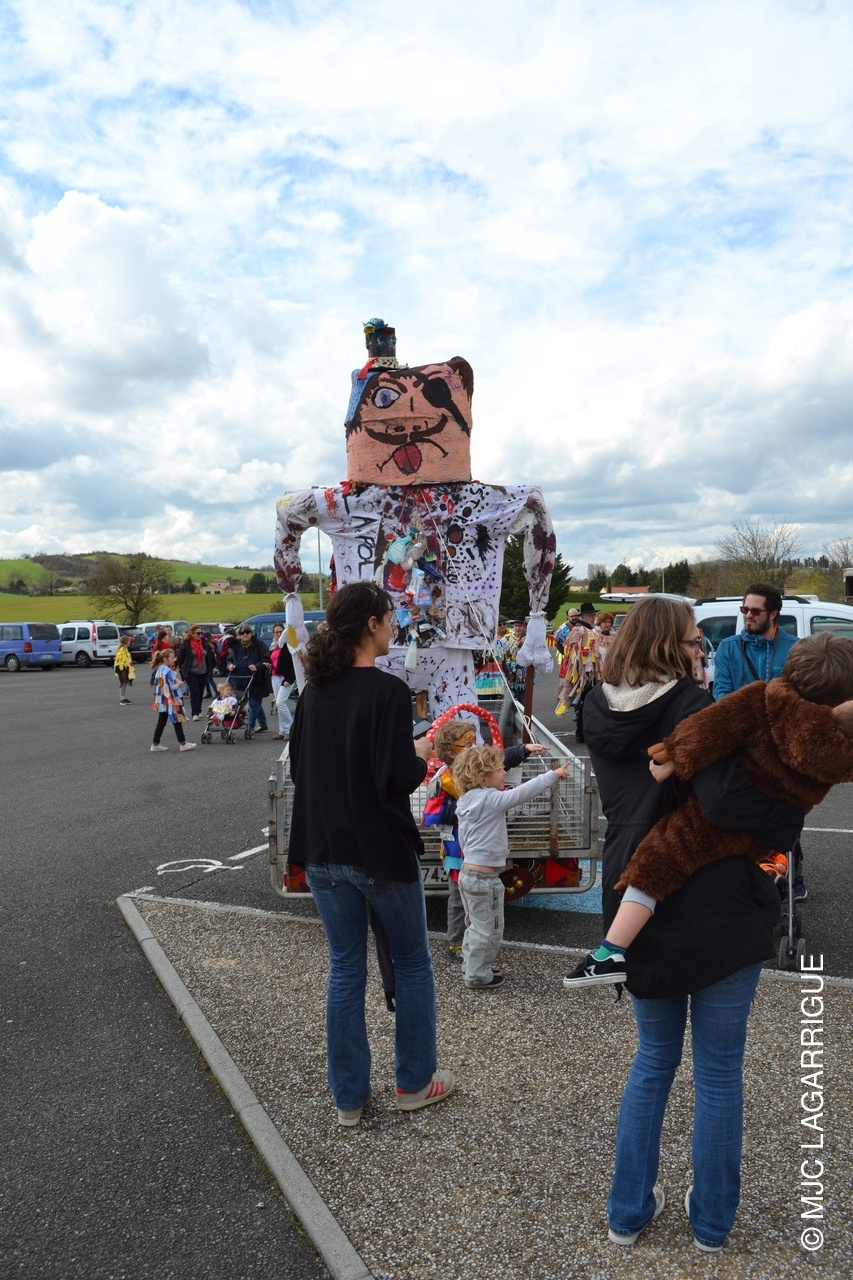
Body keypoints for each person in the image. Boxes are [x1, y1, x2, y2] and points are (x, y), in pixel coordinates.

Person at [567, 596, 780, 1252]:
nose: (699, 651)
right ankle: (711, 1221)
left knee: (653, 1059)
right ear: (669, 645)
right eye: (692, 641)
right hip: (711, 891)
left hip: (632, 887)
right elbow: (727, 801)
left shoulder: (593, 707)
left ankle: (626, 1211)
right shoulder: (693, 708)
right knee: (718, 1070)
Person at [566, 632, 853, 986]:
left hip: (708, 821)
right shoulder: (839, 744)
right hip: (766, 831)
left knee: (657, 859)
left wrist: (675, 755)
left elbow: (712, 728)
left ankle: (611, 949)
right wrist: (838, 715)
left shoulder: (763, 699)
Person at [287, 581, 454, 1125]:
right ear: (372, 625)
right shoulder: (388, 692)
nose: (394, 625)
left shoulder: (315, 692)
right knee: (412, 962)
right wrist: (424, 749)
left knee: (345, 969)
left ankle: (349, 1098)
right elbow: (400, 776)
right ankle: (414, 1082)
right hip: (379, 850)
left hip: (322, 848)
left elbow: (303, 767)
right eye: (389, 616)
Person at [713, 583, 807, 898]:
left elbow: (801, 698)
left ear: (774, 613)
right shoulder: (728, 647)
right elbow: (721, 695)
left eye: (755, 610)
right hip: (743, 748)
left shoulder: (795, 649)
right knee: (745, 816)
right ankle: (750, 879)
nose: (748, 615)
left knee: (787, 815)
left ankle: (793, 876)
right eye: (744, 609)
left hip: (784, 750)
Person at [429, 721, 548, 960]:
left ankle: (476, 946)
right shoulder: (444, 778)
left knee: (480, 904)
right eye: (468, 744)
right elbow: (432, 814)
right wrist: (468, 809)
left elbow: (498, 760)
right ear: (451, 751)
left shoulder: (478, 767)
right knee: (460, 899)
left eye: (475, 742)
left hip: (480, 850)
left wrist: (523, 749)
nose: (474, 747)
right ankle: (457, 943)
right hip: (457, 848)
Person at [454, 744, 569, 990]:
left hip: (468, 874)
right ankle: (477, 975)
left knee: (475, 925)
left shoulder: (465, 800)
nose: (504, 772)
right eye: (499, 769)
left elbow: (465, 840)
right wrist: (553, 774)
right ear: (483, 776)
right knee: (490, 930)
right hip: (485, 880)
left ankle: (471, 965)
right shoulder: (490, 799)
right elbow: (523, 793)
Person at [557, 601, 600, 741]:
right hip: (582, 674)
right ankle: (581, 733)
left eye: (594, 615)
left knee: (588, 702)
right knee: (584, 702)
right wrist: (580, 669)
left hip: (590, 673)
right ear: (584, 616)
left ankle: (584, 731)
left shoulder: (589, 629)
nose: (593, 618)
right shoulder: (579, 630)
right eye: (591, 615)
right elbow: (571, 651)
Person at [227, 625, 272, 733]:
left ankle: (250, 726)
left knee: (254, 702)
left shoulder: (259, 643)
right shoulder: (235, 645)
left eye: (247, 632)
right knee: (251, 702)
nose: (245, 635)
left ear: (251, 633)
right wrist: (230, 666)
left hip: (257, 679)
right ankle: (263, 724)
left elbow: (266, 659)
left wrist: (257, 666)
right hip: (240, 678)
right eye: (242, 633)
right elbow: (229, 659)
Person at [150, 648, 196, 752]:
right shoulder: (167, 671)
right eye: (172, 657)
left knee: (162, 721)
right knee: (176, 720)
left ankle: (155, 744)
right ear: (165, 659)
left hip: (162, 700)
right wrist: (179, 684)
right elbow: (170, 687)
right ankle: (183, 743)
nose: (174, 659)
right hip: (170, 700)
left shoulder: (159, 670)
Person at [176, 624, 216, 721]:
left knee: (200, 691)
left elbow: (210, 655)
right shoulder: (186, 644)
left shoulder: (204, 643)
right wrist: (179, 668)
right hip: (191, 671)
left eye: (201, 633)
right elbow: (180, 658)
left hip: (203, 671)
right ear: (192, 634)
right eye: (198, 633)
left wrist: (212, 666)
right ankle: (195, 713)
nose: (200, 635)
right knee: (195, 691)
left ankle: (198, 709)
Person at [269, 621, 296, 741]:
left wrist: (289, 679)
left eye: (280, 631)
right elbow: (272, 660)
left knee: (280, 702)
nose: (278, 634)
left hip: (286, 678)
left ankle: (291, 729)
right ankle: (282, 730)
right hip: (275, 676)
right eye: (276, 632)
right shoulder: (273, 646)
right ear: (273, 633)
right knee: (279, 705)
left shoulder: (288, 645)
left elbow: (295, 664)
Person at [113, 634, 135, 705]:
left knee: (125, 682)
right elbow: (121, 660)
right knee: (123, 682)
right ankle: (122, 699)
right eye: (129, 641)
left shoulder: (125, 649)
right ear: (126, 642)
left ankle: (124, 698)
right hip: (122, 668)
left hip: (124, 668)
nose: (129, 642)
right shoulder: (122, 650)